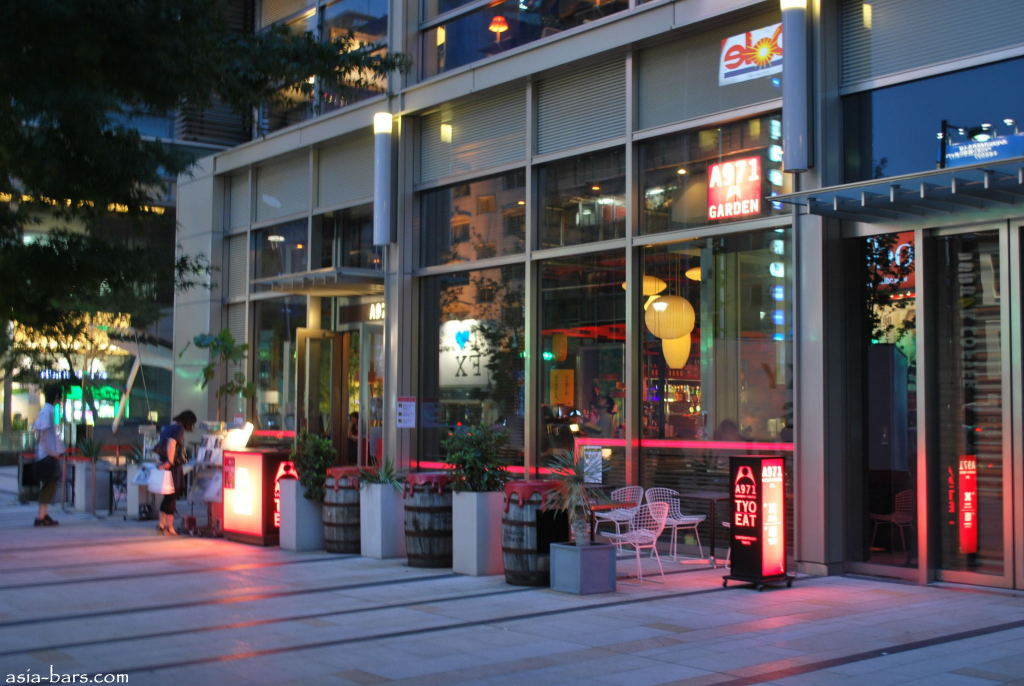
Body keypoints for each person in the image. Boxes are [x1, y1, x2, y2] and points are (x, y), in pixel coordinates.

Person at [154, 410, 197, 535]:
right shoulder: (179, 429)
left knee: (168, 495)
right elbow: (171, 444)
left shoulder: (168, 427)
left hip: (164, 463)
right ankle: (170, 526)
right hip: (173, 466)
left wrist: (165, 462)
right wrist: (170, 461)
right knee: (173, 494)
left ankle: (162, 523)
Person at [31, 385, 65, 527]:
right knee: (49, 484)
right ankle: (41, 516)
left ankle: (43, 514)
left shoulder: (46, 410)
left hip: (45, 454)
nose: (61, 400)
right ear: (56, 396)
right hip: (48, 455)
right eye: (60, 397)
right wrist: (53, 452)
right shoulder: (49, 411)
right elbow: (44, 433)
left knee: (49, 484)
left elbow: (38, 430)